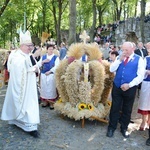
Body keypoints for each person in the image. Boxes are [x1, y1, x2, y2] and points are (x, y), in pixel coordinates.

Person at [1, 30, 40, 138]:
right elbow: (15, 67)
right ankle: (18, 121)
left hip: (30, 85)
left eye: (31, 46)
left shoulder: (28, 54)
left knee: (30, 104)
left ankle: (31, 126)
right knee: (24, 103)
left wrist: (36, 66)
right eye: (28, 46)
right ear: (22, 45)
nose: (30, 48)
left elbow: (34, 65)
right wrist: (32, 69)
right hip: (22, 85)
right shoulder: (16, 55)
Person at [106, 41, 145, 138]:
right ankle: (111, 127)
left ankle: (124, 128)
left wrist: (130, 85)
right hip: (117, 86)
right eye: (123, 49)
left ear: (133, 49)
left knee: (127, 109)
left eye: (126, 50)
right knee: (115, 107)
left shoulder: (139, 59)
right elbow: (111, 69)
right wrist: (119, 60)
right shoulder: (120, 57)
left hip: (130, 88)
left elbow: (140, 76)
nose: (124, 52)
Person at [38, 44, 60, 109]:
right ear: (47, 50)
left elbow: (57, 66)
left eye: (52, 49)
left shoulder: (56, 57)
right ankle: (45, 101)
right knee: (44, 89)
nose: (51, 50)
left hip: (51, 76)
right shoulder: (43, 57)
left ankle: (51, 102)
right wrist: (43, 61)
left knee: (51, 89)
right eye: (49, 49)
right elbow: (38, 64)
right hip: (44, 75)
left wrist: (50, 71)